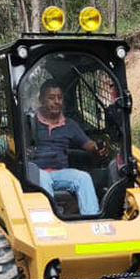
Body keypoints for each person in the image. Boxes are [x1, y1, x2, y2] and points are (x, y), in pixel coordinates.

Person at [30, 80, 104, 215]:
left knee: (83, 177)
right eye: (51, 98)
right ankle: (52, 219)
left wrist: (97, 147)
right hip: (36, 172)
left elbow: (88, 144)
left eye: (59, 97)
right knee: (43, 178)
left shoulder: (69, 125)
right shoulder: (30, 122)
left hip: (59, 174)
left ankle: (91, 219)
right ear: (41, 100)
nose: (57, 101)